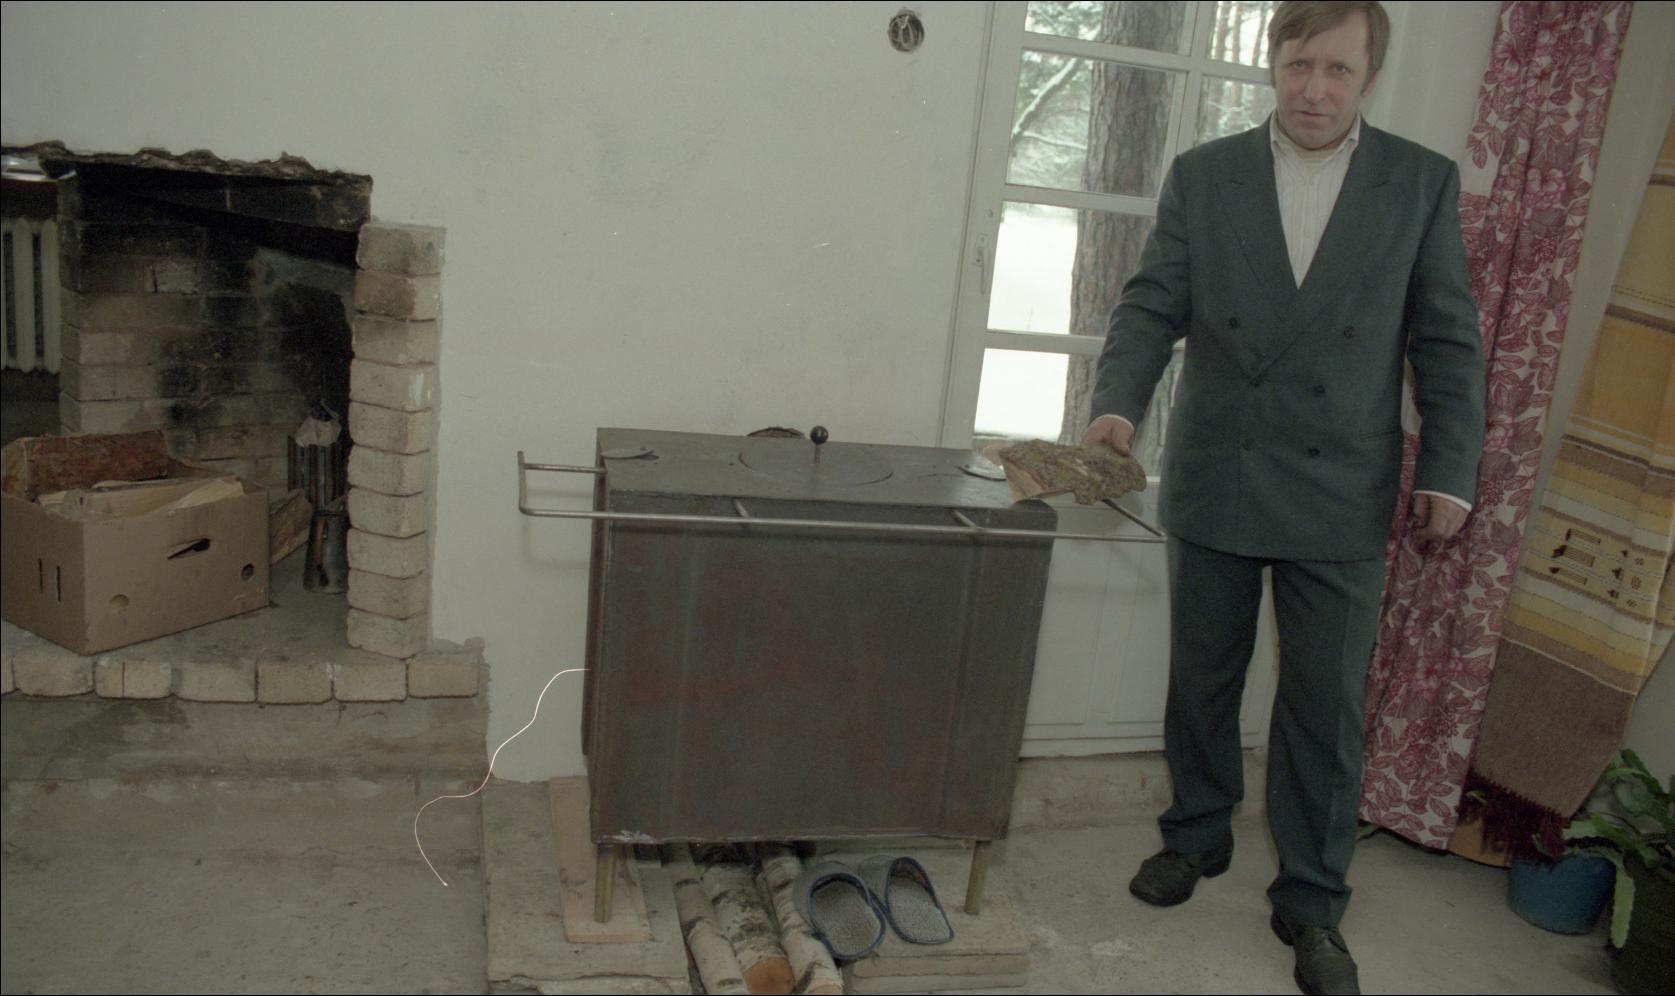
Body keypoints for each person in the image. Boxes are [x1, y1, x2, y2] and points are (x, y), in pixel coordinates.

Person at [1081, 3, 1484, 994]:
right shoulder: (1205, 175)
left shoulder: (1419, 183)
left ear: (1368, 78)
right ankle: (1196, 834)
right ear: (1273, 65)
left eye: (1337, 70)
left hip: (1340, 484)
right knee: (1202, 678)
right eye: (1299, 64)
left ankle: (1311, 899)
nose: (1314, 88)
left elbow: (1445, 339)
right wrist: (1115, 408)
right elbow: (1150, 306)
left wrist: (1448, 469)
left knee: (1323, 708)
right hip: (1219, 467)